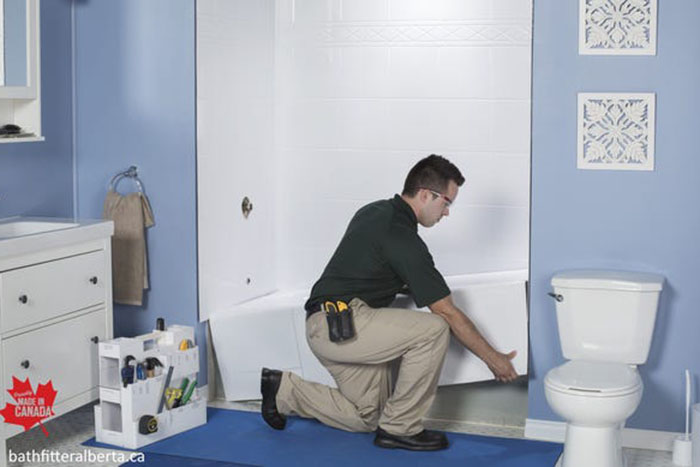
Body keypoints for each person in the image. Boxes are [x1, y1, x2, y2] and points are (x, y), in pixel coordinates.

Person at [260, 154, 518, 451]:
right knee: (433, 328)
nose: (446, 212)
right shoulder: (401, 236)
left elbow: (370, 266)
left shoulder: (373, 211)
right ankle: (400, 428)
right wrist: (494, 359)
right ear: (425, 194)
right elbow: (445, 310)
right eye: (447, 202)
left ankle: (283, 390)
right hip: (342, 324)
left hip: (331, 328)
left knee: (365, 418)